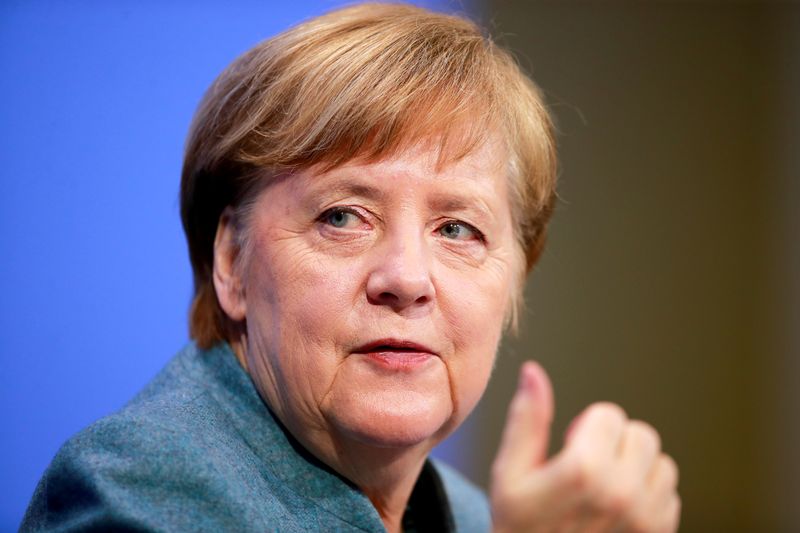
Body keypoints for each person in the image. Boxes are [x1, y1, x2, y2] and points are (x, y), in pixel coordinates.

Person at [21, 3, 680, 532]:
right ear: (232, 261)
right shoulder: (135, 492)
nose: (407, 278)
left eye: (457, 228)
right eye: (342, 216)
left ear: (514, 284)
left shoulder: (474, 515)